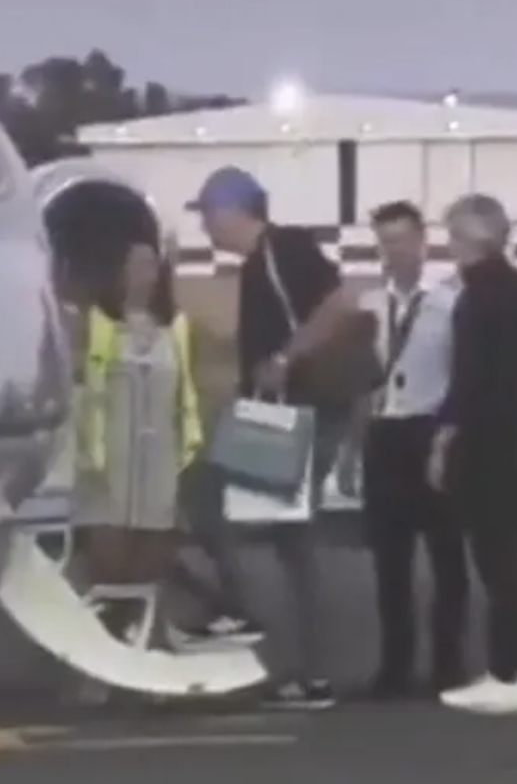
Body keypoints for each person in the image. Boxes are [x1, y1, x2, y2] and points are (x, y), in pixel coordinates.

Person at [181, 165, 369, 709]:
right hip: (278, 417)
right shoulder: (258, 265)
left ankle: (296, 660)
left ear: (232, 210)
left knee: (231, 508)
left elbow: (340, 302)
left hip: (295, 418)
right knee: (260, 526)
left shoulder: (283, 248)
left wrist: (286, 358)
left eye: (207, 214)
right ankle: (258, 626)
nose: (205, 228)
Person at [430, 194, 517, 714]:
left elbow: (469, 380)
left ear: (472, 239)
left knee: (497, 563)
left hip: (491, 448)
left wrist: (444, 442)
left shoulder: (478, 298)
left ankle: (508, 672)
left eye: (452, 236)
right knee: (508, 559)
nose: (448, 246)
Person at [358, 200, 469, 699]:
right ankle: (395, 666)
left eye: (402, 239)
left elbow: (464, 376)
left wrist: (450, 438)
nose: (394, 251)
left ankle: (448, 663)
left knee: (446, 557)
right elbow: (360, 381)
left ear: (423, 242)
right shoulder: (369, 306)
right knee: (389, 562)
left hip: (431, 433)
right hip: (383, 435)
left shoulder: (449, 303)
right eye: (385, 241)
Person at [71, 239, 203, 627]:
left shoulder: (176, 327)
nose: (146, 273)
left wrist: (188, 454)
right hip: (108, 462)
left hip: (160, 464)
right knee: (108, 568)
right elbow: (81, 384)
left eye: (152, 265)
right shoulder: (98, 322)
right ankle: (98, 659)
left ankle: (144, 643)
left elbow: (188, 392)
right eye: (136, 264)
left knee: (150, 569)